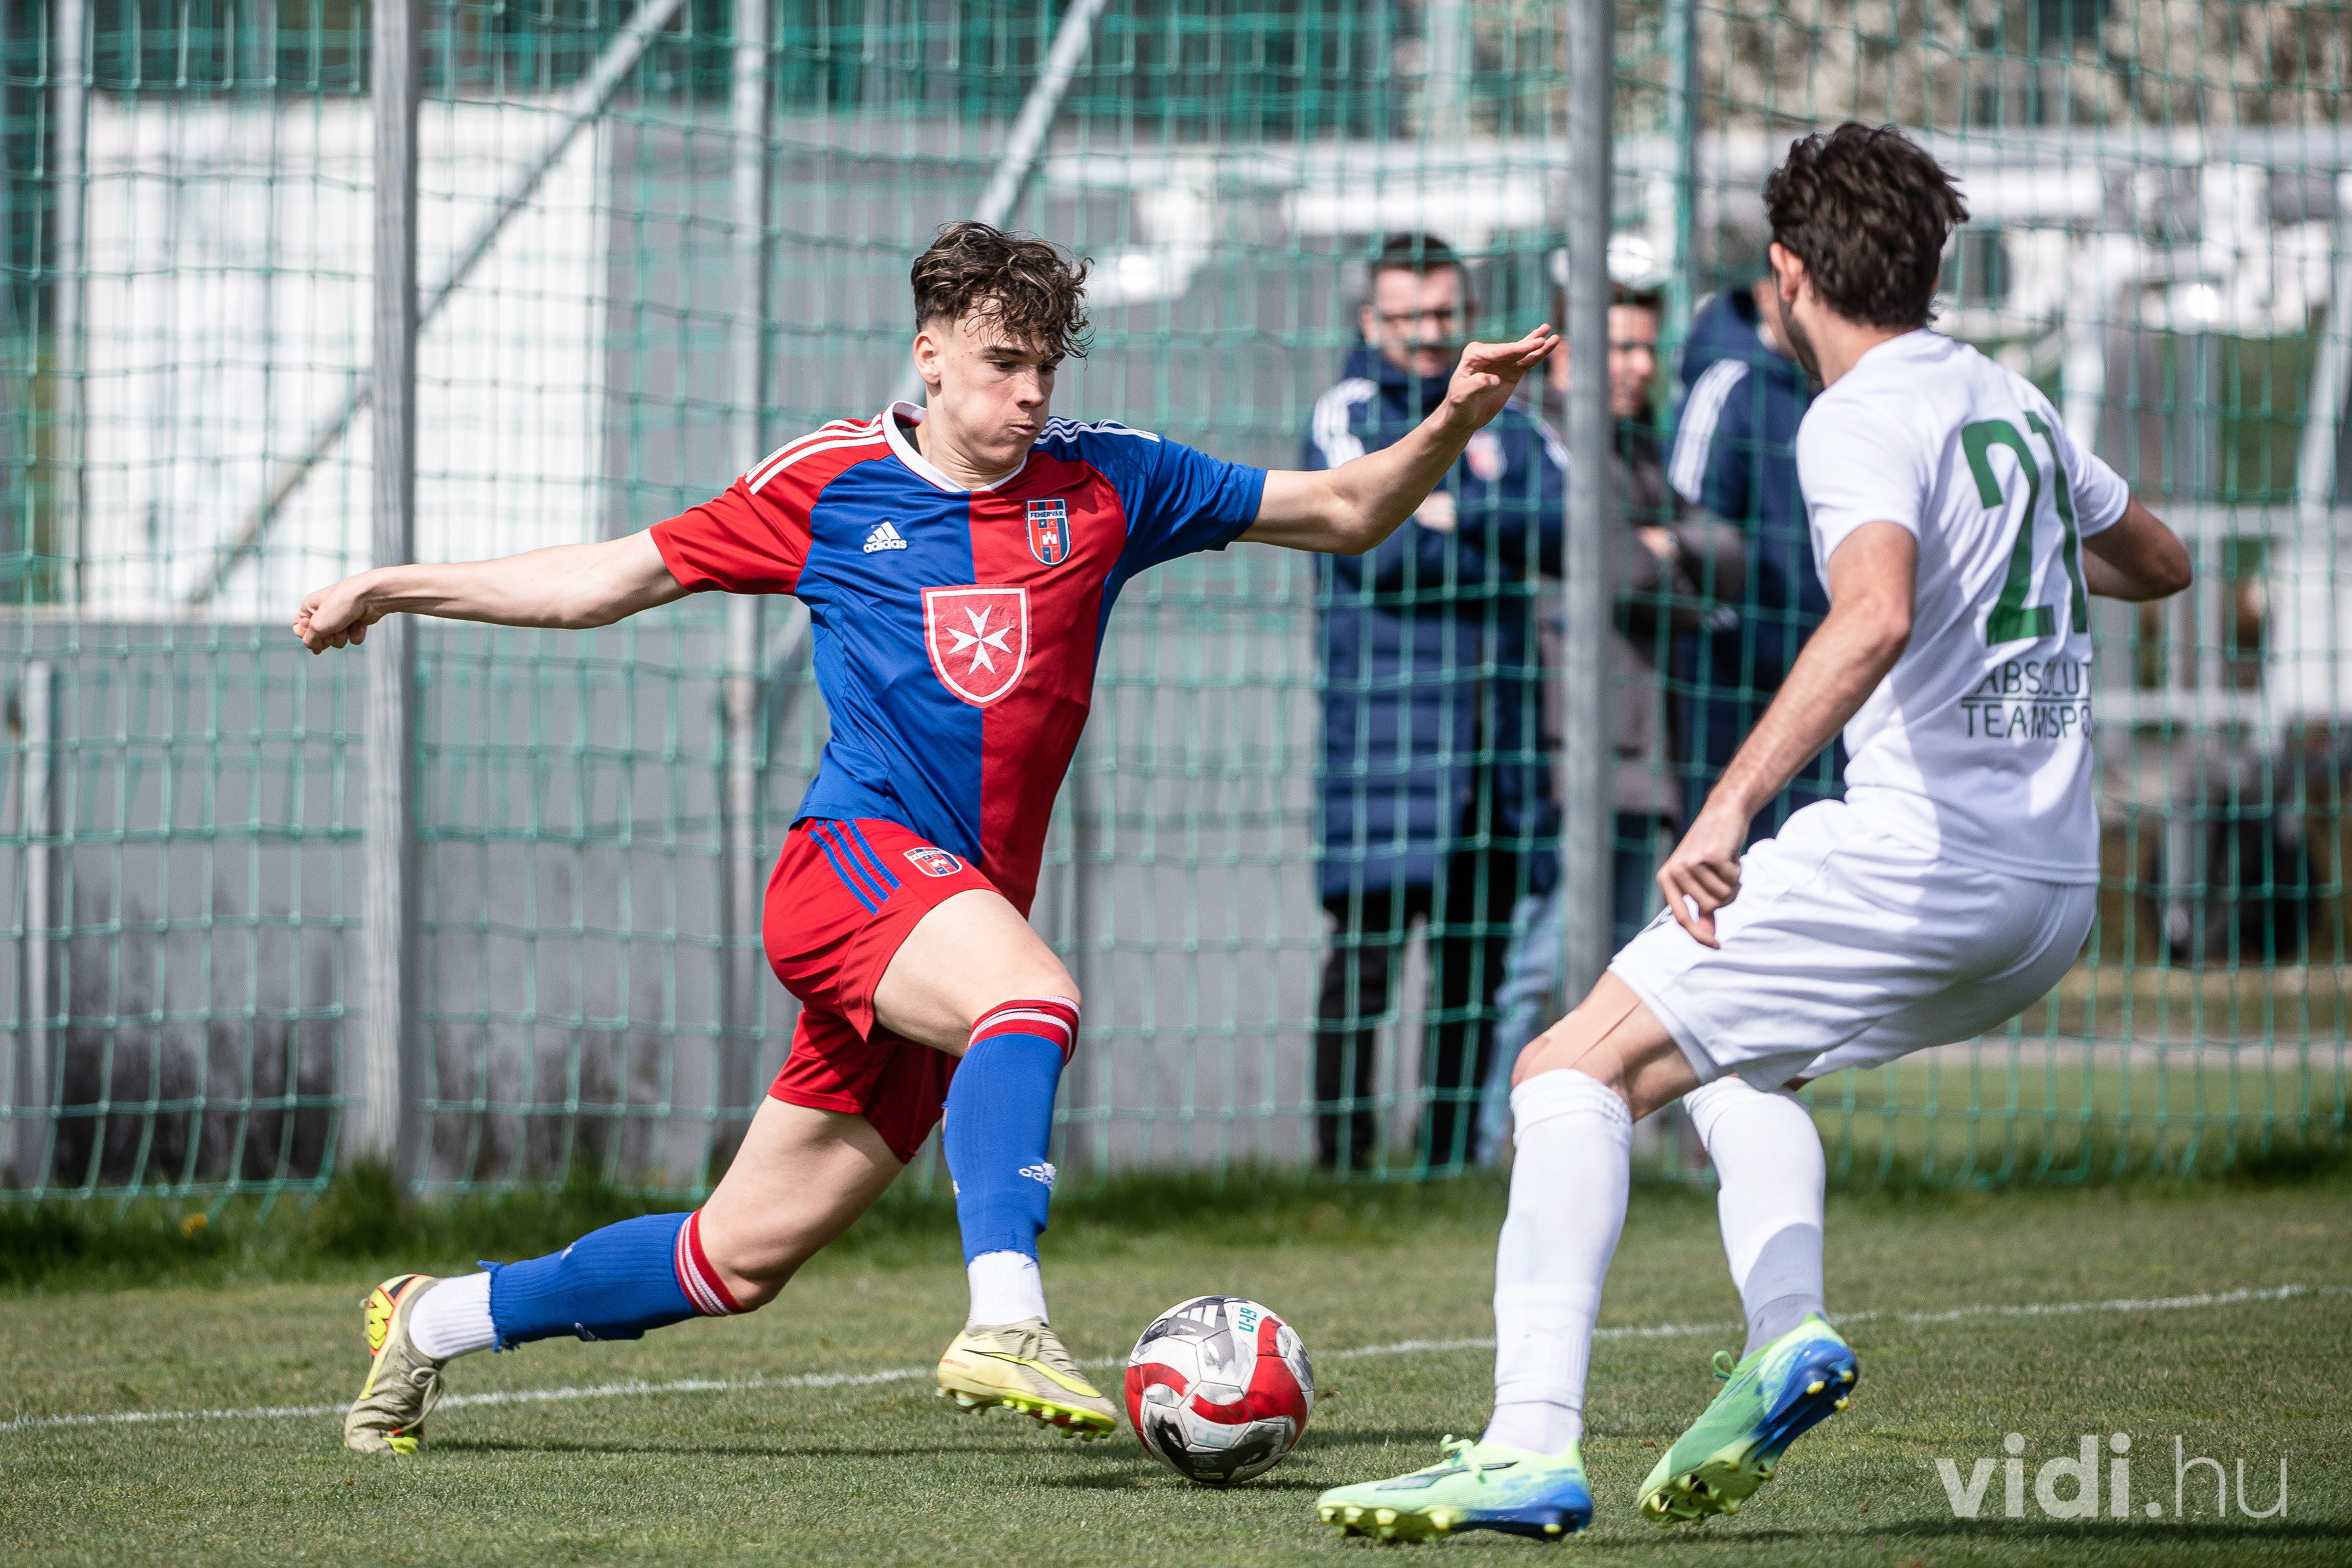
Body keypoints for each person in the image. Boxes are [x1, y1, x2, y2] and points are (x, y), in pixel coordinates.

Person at [306, 221, 1558, 1455]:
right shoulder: (829, 482)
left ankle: (433, 1321)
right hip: (848, 870)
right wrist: (395, 585)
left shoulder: (1111, 480)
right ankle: (1007, 1316)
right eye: (1003, 362)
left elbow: (1346, 508)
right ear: (932, 356)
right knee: (1033, 999)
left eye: (1045, 366)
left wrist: (1454, 417)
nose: (1030, 392)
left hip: (948, 931)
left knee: (730, 1262)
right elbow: (602, 582)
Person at [1315, 123, 2191, 1541]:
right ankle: (1786, 1335)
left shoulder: (1850, 414)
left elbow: (1875, 613)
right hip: (2049, 896)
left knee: (1566, 1069)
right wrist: (2010, 560)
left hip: (1918, 861)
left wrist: (1726, 804)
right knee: (1727, 1063)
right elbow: (2160, 561)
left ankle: (1526, 1442)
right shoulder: (2012, 401)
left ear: (1788, 274)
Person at [1307, 234, 1566, 1173]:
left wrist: (1460, 517)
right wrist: (1491, 541)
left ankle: (1447, 1166)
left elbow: (1571, 530)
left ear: (1468, 316)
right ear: (1370, 321)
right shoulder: (1348, 413)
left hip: (1496, 746)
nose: (1427, 334)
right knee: (1367, 964)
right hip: (1387, 746)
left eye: (1443, 315)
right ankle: (1344, 1170)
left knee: (1475, 969)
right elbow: (1380, 548)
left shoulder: (1515, 419)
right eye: (1407, 317)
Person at [1475, 285, 1745, 1165]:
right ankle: (1492, 1147)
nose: (1636, 367)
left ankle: (1595, 1143)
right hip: (1562, 750)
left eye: (1643, 349)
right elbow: (1622, 565)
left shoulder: (1642, 452)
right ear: (1561, 354)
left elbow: (1727, 555)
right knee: (1538, 960)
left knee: (1628, 963)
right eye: (1617, 347)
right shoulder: (1534, 440)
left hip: (1642, 747)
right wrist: (1664, 562)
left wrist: (1667, 553)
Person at [1669, 259, 1840, 838]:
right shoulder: (1728, 386)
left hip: (1834, 682)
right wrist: (1746, 635)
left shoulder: (1839, 389)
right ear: (1770, 291)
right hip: (1734, 693)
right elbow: (1688, 531)